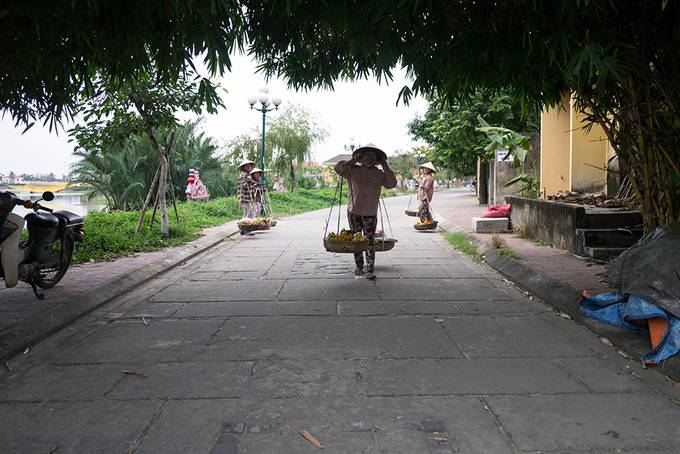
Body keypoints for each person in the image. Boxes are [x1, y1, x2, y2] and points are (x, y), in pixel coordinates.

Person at [334, 143, 397, 280]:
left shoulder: (379, 174)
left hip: (370, 213)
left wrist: (385, 165)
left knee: (369, 241)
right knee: (356, 241)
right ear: (361, 158)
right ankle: (359, 266)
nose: (370, 158)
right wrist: (353, 161)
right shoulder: (352, 171)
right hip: (353, 211)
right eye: (367, 155)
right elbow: (338, 168)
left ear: (377, 160)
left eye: (373, 156)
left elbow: (391, 183)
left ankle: (369, 268)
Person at [237, 159, 258, 235]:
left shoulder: (246, 174)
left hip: (247, 198)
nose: (249, 167)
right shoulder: (244, 175)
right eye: (247, 166)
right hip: (245, 198)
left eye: (250, 165)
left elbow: (250, 186)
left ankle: (244, 229)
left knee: (248, 213)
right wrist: (252, 182)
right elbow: (245, 185)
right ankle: (243, 228)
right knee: (248, 213)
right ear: (244, 167)